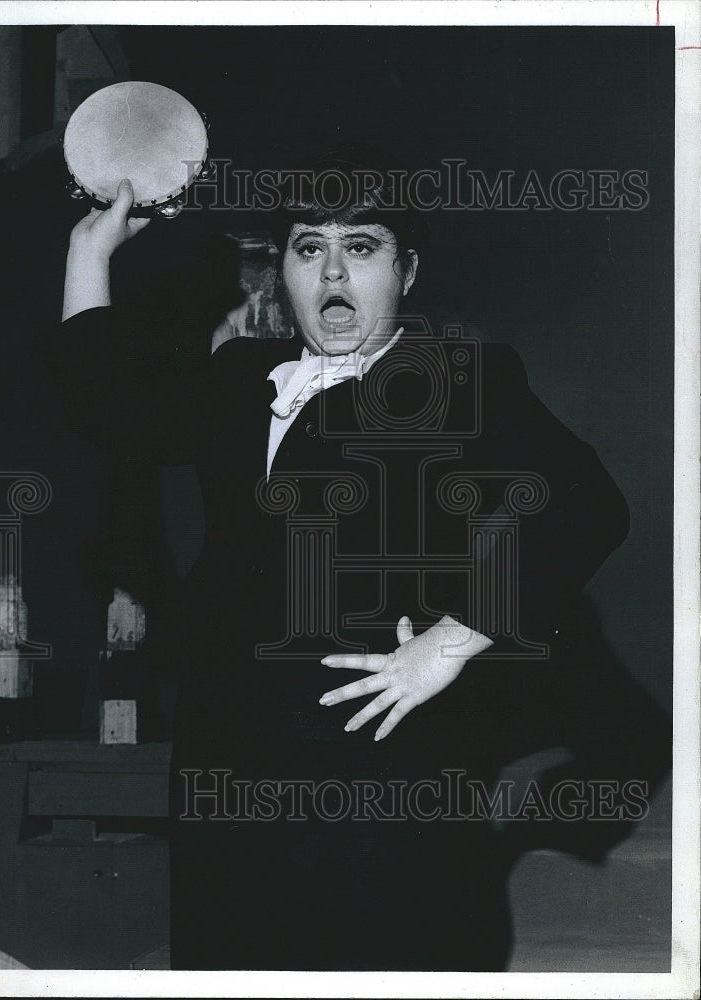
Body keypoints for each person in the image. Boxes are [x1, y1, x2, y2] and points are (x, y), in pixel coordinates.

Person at [42, 151, 670, 971]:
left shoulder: (461, 378)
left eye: (361, 247)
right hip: (227, 764)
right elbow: (108, 408)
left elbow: (588, 506)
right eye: (309, 248)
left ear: (406, 269)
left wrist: (444, 648)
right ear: (286, 268)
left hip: (384, 771)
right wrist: (88, 253)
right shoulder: (241, 375)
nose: (332, 271)